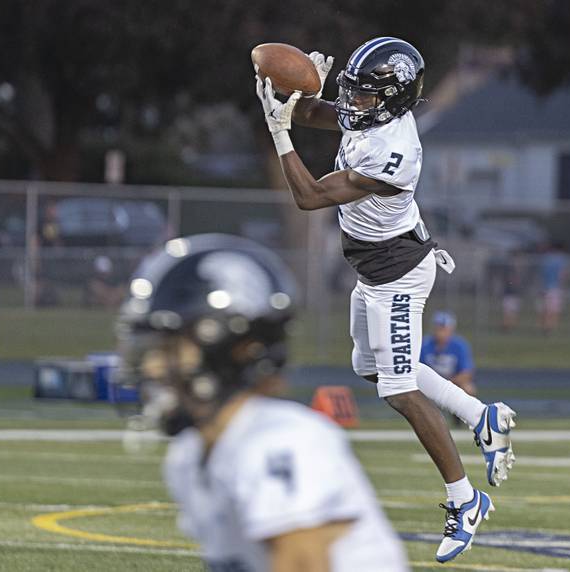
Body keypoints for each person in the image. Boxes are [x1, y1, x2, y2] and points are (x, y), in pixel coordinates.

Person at [253, 37, 516, 562]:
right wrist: (290, 97)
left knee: (397, 387)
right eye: (354, 90)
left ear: (392, 101)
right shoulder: (371, 116)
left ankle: (464, 500)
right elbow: (319, 112)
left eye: (367, 95)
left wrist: (281, 135)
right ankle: (481, 417)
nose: (355, 102)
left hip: (399, 274)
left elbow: (309, 198)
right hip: (376, 271)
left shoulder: (391, 150)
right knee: (369, 367)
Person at [116, 234, 410, 572]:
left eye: (170, 348)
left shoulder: (279, 441)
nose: (152, 366)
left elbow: (304, 564)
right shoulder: (189, 456)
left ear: (228, 347)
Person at [420, 311, 476, 427]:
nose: (441, 332)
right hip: (429, 382)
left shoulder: (459, 345)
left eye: (444, 329)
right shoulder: (425, 344)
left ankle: (460, 420)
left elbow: (467, 372)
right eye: (438, 328)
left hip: (452, 382)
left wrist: (448, 382)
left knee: (468, 388)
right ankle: (425, 422)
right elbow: (418, 368)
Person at [538, 241, 566, 334]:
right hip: (555, 288)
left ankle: (545, 327)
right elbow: (561, 275)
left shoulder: (545, 259)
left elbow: (541, 274)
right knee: (554, 310)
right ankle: (549, 328)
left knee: (546, 308)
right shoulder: (560, 259)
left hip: (544, 287)